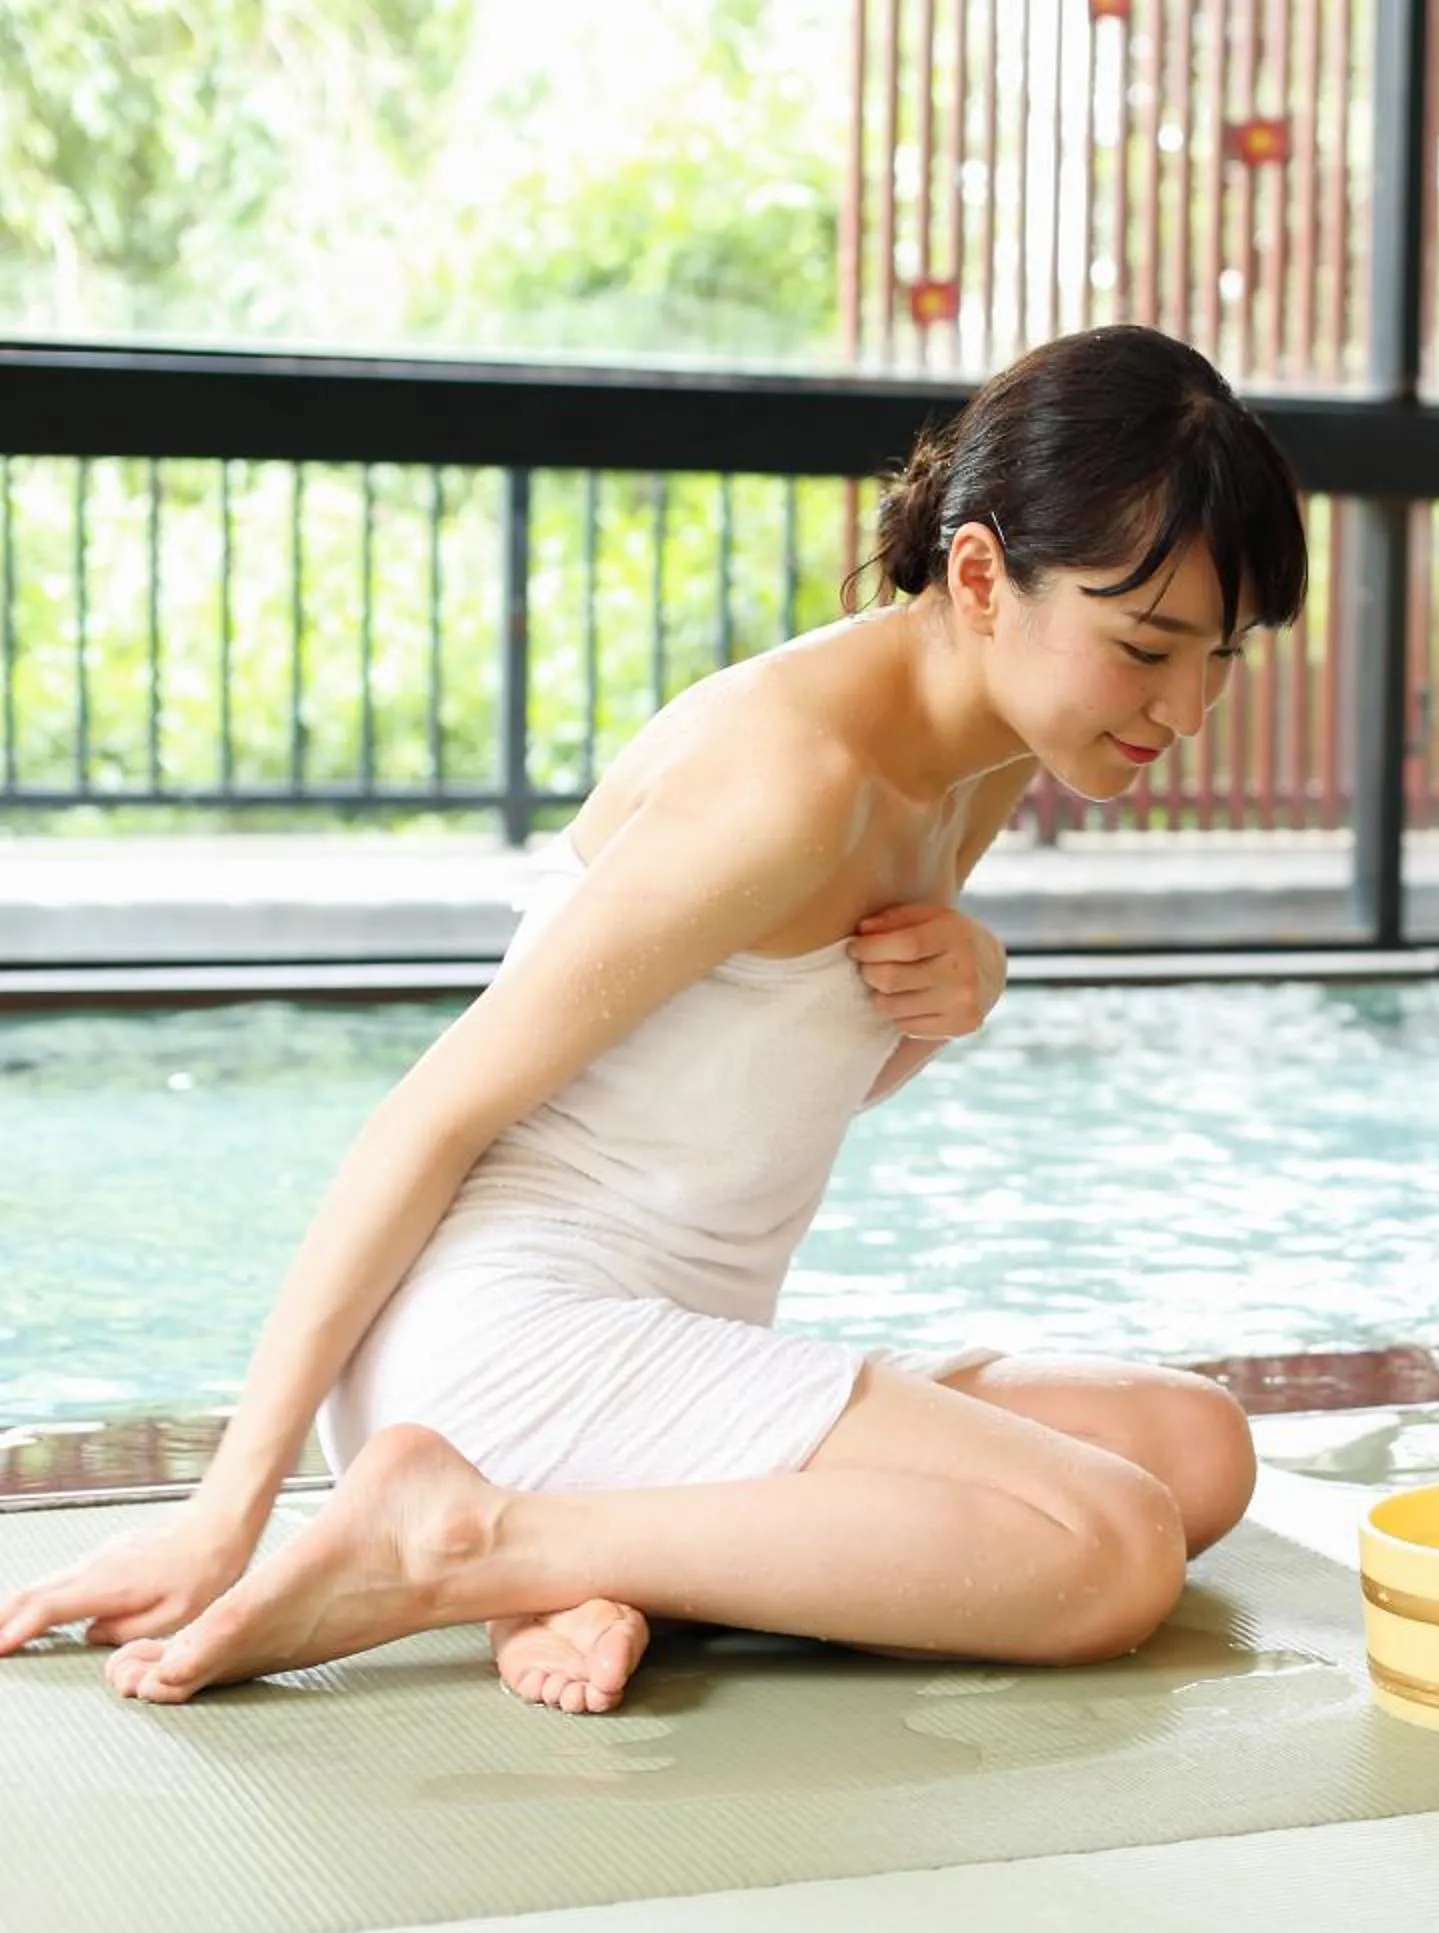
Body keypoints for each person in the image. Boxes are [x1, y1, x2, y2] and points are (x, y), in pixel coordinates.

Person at [0, 324, 1307, 1712]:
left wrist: (951, 1000)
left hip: (671, 1346)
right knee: (1112, 1547)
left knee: (1192, 1448)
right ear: (981, 575)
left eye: (1221, 655)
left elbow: (753, 1091)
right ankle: (466, 1538)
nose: (1185, 706)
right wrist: (227, 1509)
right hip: (504, 1349)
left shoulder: (989, 744)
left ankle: (589, 1570)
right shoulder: (791, 781)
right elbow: (431, 1116)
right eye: (1146, 645)